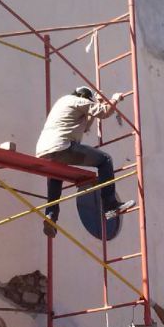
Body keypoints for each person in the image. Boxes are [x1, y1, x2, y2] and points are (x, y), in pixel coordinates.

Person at [35, 86, 135, 238]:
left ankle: (51, 215)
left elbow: (85, 126)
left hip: (45, 151)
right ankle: (110, 206)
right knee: (105, 160)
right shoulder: (79, 101)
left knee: (56, 175)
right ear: (85, 97)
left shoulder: (64, 102)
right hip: (63, 147)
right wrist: (115, 99)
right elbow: (105, 112)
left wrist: (97, 106)